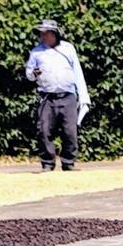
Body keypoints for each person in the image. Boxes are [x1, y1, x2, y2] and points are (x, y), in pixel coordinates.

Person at [25, 19, 90, 172]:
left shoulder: (68, 49)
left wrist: (83, 95)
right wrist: (34, 73)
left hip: (68, 95)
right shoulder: (36, 52)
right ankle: (47, 163)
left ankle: (68, 162)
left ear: (54, 34)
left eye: (46, 33)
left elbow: (77, 72)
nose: (43, 36)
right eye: (41, 33)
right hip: (47, 97)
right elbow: (29, 75)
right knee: (44, 130)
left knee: (70, 130)